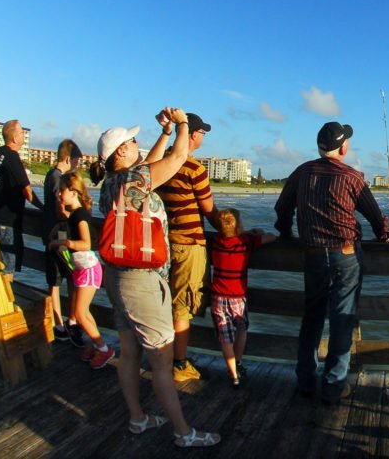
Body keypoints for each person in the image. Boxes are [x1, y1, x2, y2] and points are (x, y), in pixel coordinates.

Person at [89, 109, 219, 448]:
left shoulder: (113, 183)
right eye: (132, 142)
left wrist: (163, 134)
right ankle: (183, 432)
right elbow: (177, 156)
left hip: (116, 278)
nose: (137, 144)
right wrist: (181, 125)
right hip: (142, 282)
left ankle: (137, 418)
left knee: (129, 353)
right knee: (161, 359)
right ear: (120, 152)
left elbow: (152, 161)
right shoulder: (135, 179)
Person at [274, 121, 389, 404]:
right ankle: (334, 386)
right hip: (346, 255)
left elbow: (282, 208)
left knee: (312, 318)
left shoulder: (302, 172)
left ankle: (306, 381)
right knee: (342, 320)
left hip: (313, 255)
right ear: (343, 147)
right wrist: (384, 233)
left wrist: (284, 231)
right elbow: (375, 215)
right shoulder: (352, 177)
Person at [154, 113, 219, 383]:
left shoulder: (161, 163)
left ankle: (163, 357)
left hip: (164, 243)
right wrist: (233, 229)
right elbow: (210, 211)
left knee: (165, 302)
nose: (203, 136)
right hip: (188, 244)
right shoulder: (194, 169)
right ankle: (179, 364)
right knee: (183, 305)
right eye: (202, 132)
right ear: (192, 135)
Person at [47, 171, 113, 369]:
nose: (59, 194)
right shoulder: (75, 214)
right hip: (82, 268)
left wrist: (62, 241)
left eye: (62, 190)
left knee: (79, 312)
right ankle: (97, 345)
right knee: (83, 312)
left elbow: (86, 243)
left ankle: (104, 349)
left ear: (74, 192)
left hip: (89, 268)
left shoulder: (81, 215)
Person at [208, 208, 276, 388]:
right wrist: (256, 232)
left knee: (225, 338)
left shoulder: (216, 242)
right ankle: (237, 364)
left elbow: (228, 235)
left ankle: (234, 374)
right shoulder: (245, 243)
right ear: (238, 227)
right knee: (242, 330)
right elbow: (271, 236)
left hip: (217, 298)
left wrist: (242, 232)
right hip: (237, 297)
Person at [0, 120, 43, 272]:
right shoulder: (11, 156)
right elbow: (27, 191)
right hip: (6, 222)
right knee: (6, 268)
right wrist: (44, 207)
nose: (24, 134)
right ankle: (5, 295)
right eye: (23, 132)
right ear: (15, 138)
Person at [42, 139, 83, 344]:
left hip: (50, 233)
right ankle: (68, 322)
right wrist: (77, 218)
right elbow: (60, 208)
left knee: (55, 280)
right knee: (67, 278)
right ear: (68, 159)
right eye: (76, 162)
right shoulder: (59, 178)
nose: (77, 166)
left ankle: (59, 323)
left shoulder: (50, 175)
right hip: (58, 236)